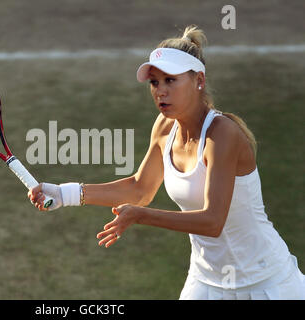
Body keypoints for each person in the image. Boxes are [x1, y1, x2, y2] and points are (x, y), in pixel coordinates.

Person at [28, 25, 305, 300]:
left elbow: (213, 221)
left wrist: (140, 215)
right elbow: (140, 189)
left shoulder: (222, 135)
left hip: (267, 283)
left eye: (171, 80)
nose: (160, 91)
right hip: (206, 281)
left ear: (199, 80)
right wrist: (64, 193)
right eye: (155, 82)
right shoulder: (164, 127)